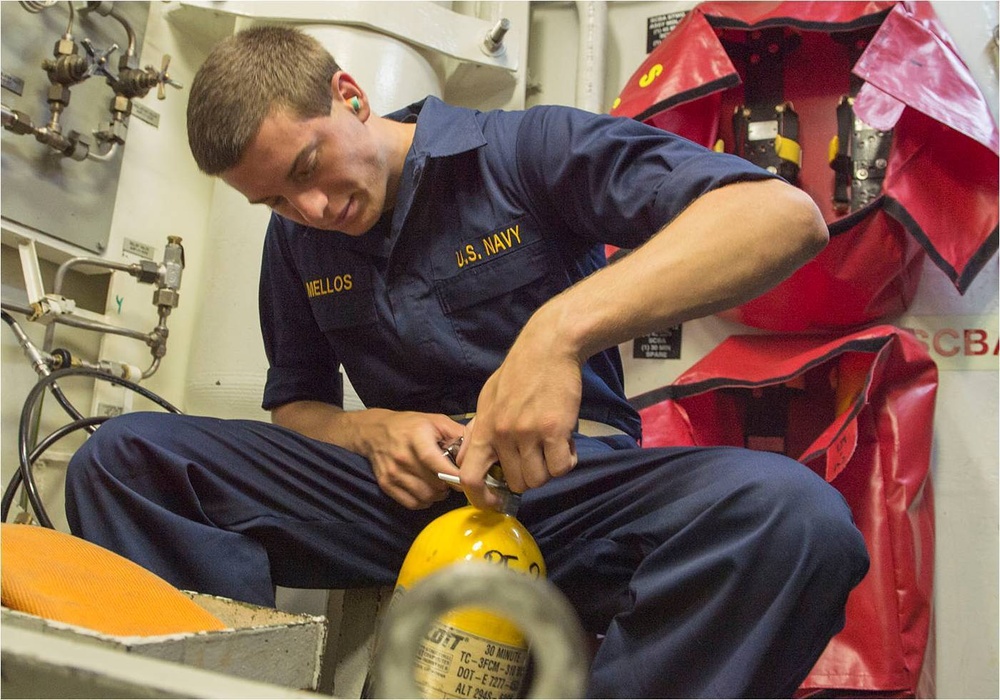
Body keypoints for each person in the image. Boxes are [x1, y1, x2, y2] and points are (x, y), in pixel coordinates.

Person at [66, 25, 869, 698]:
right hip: (402, 496)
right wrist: (372, 430)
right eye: (274, 200)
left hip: (572, 488)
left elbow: (779, 217)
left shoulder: (524, 150)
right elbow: (298, 408)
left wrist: (555, 336)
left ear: (350, 95)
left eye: (308, 169)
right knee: (125, 458)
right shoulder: (299, 241)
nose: (310, 210)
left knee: (795, 521)